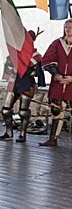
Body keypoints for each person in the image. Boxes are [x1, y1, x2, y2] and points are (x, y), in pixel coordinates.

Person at [0, 30, 45, 143]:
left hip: (27, 83)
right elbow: (8, 67)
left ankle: (23, 134)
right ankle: (9, 132)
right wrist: (13, 69)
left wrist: (27, 71)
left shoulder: (36, 55)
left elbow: (38, 72)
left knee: (23, 111)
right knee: (5, 110)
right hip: (14, 81)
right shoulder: (15, 52)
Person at [39, 19, 72, 147]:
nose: (67, 29)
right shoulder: (57, 43)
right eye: (66, 27)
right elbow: (47, 60)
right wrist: (56, 75)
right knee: (56, 110)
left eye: (70, 27)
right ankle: (53, 139)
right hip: (58, 85)